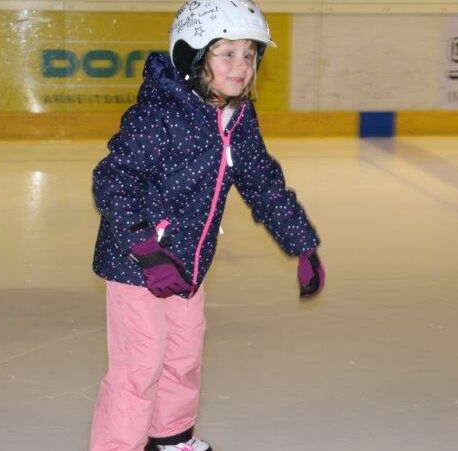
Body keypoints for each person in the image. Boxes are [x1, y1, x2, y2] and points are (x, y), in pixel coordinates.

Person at [89, 1, 325, 449]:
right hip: (136, 262)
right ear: (194, 56)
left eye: (249, 54)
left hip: (189, 262)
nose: (241, 65)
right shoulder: (159, 114)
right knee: (140, 364)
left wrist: (302, 245)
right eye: (227, 53)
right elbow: (111, 181)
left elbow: (262, 181)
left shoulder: (238, 118)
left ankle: (172, 436)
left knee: (183, 354)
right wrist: (145, 249)